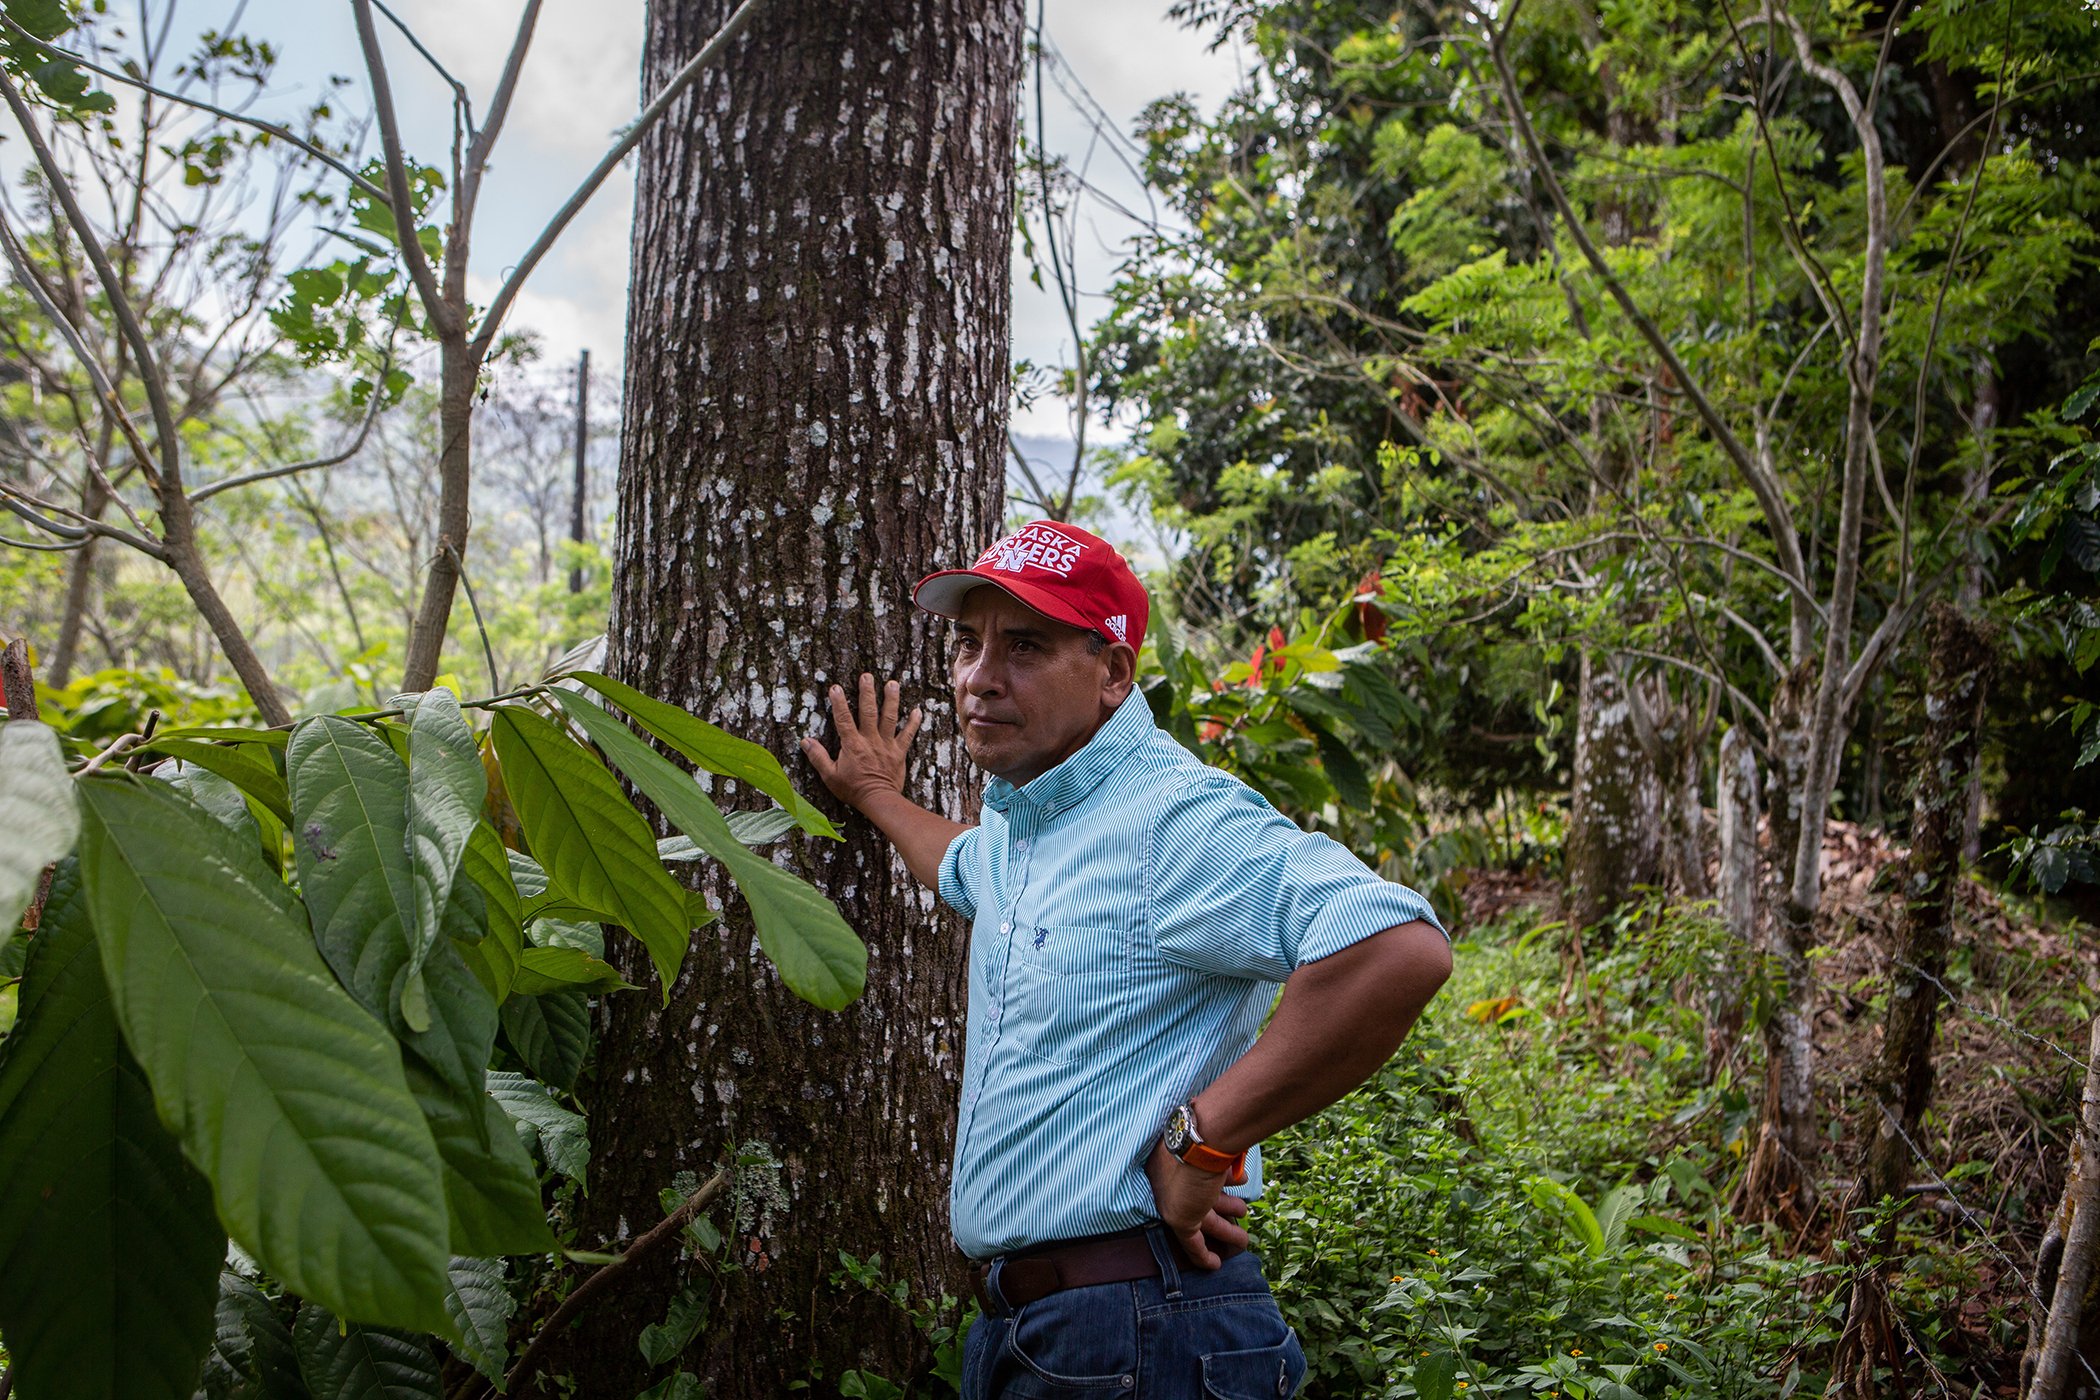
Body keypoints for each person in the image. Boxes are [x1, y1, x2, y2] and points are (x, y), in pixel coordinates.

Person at [801, 520, 1451, 1399]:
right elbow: (963, 869)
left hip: (1141, 1333)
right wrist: (878, 796)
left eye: (1023, 646)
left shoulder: (1175, 820)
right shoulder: (1032, 821)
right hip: (1053, 1335)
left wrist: (1204, 1141)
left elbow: (1396, 948)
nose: (979, 677)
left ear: (1112, 674)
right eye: (968, 642)